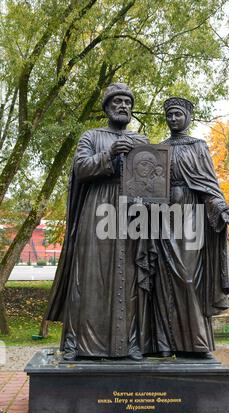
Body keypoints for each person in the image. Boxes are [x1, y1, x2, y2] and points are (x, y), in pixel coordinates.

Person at [44, 83, 150, 361]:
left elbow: (155, 178)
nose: (123, 105)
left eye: (128, 101)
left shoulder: (142, 140)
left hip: (130, 213)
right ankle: (81, 345)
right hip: (98, 208)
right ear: (106, 107)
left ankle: (129, 344)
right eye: (117, 101)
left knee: (129, 276)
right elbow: (81, 168)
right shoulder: (91, 136)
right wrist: (111, 153)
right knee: (92, 276)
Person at [149, 97, 229, 358]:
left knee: (187, 277)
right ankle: (164, 343)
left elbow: (209, 185)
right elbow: (148, 184)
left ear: (188, 117)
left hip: (191, 215)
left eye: (178, 115)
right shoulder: (159, 149)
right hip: (163, 216)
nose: (173, 119)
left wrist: (220, 208)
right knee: (162, 279)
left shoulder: (198, 147)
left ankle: (196, 342)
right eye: (169, 116)